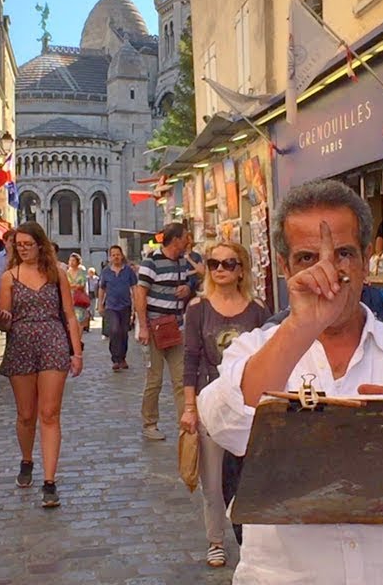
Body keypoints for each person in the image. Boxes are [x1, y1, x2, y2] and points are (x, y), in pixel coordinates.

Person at [198, 180, 383, 585]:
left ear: (366, 259)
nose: (329, 270)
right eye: (308, 257)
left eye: (343, 253)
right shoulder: (255, 349)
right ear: (285, 267)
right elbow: (227, 426)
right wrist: (303, 324)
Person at [180, 240, 270, 568]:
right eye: (214, 263)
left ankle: (253, 539)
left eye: (228, 264)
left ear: (241, 269)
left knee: (252, 478)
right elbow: (189, 360)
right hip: (210, 404)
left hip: (249, 408)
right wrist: (189, 408)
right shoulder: (197, 309)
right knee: (213, 481)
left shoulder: (258, 309)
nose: (220, 269)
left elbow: (270, 357)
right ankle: (216, 540)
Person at [0, 223, 84, 508]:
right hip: (21, 343)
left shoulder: (56, 273)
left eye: (27, 244)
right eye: (18, 245)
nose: (22, 249)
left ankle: (49, 481)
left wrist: (76, 352)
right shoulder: (9, 277)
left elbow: (69, 315)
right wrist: (2, 318)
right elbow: (5, 323)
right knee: (26, 413)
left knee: (49, 412)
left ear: (40, 244)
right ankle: (27, 459)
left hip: (52, 341)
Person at [135, 222, 195, 441]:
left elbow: (189, 285)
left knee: (181, 379)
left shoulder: (182, 262)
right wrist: (143, 326)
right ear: (176, 239)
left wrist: (187, 289)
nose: (188, 240)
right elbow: (140, 295)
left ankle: (185, 422)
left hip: (176, 329)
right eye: (186, 237)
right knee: (154, 379)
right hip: (154, 329)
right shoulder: (151, 262)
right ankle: (150, 423)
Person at [97, 245, 139, 371]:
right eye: (113, 255)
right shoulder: (106, 272)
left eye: (118, 254)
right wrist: (100, 304)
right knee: (114, 330)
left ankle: (122, 357)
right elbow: (101, 288)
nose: (116, 257)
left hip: (125, 306)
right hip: (111, 306)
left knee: (123, 332)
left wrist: (136, 305)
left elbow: (134, 288)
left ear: (122, 256)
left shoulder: (128, 271)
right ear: (110, 257)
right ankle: (115, 358)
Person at [66, 253, 90, 333]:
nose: (71, 262)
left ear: (77, 262)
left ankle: (78, 341)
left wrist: (73, 286)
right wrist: (74, 286)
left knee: (79, 321)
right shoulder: (67, 273)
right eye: (70, 260)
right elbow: (65, 285)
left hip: (79, 299)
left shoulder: (82, 272)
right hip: (69, 299)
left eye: (73, 260)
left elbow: (82, 285)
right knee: (70, 321)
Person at [86, 267, 101, 332]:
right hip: (88, 292)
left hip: (94, 292)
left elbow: (99, 286)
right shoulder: (87, 278)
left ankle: (92, 315)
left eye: (92, 272)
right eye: (90, 272)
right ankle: (90, 315)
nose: (90, 274)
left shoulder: (97, 279)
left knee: (93, 304)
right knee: (88, 305)